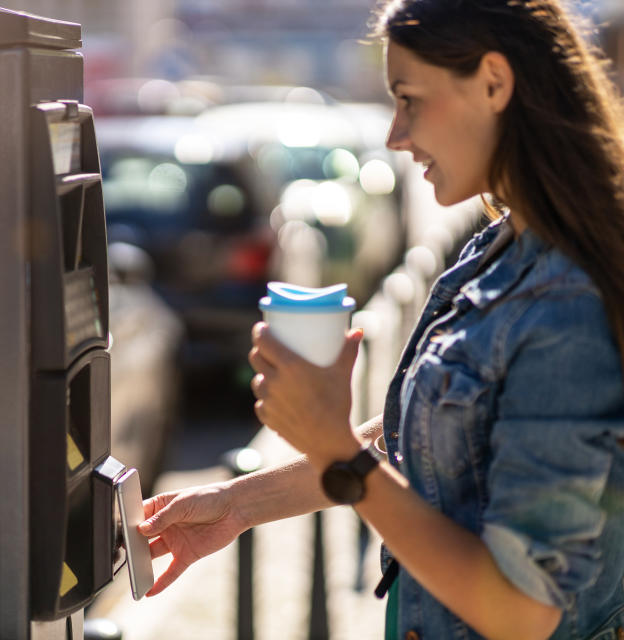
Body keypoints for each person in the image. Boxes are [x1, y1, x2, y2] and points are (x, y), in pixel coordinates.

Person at [137, 1, 624, 638]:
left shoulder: (567, 304)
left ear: (495, 83)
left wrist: (334, 447)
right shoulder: (498, 247)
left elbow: (522, 609)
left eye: (409, 99)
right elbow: (427, 439)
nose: (395, 135)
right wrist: (236, 505)